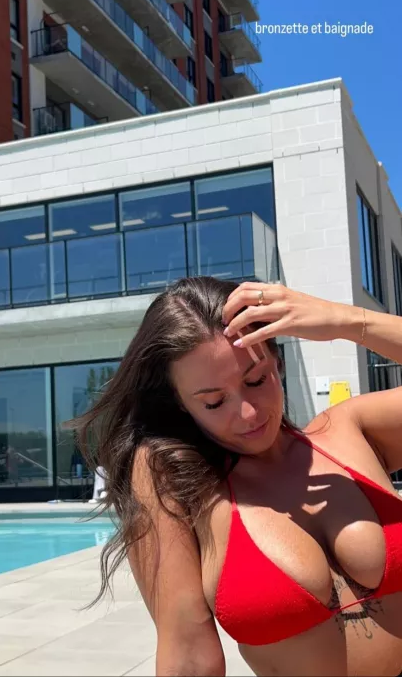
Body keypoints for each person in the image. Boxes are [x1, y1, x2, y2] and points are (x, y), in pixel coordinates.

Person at [71, 277, 402, 677]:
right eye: (213, 401)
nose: (248, 413)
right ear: (180, 405)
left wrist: (344, 320)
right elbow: (188, 657)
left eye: (256, 379)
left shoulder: (352, 430)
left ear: (277, 363)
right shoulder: (178, 483)